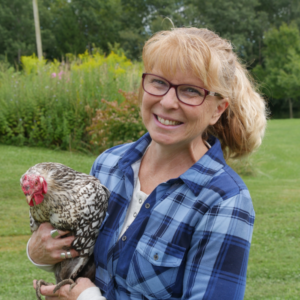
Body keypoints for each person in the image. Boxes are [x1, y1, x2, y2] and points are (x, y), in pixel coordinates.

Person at [28, 27, 267, 300]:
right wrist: (40, 254)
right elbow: (81, 255)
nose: (167, 102)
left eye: (190, 91)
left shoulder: (224, 201)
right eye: (158, 82)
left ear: (217, 109)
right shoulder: (108, 165)